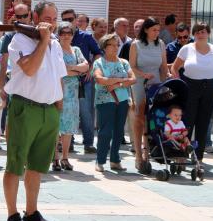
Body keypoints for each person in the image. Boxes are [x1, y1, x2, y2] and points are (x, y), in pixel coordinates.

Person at [2, 0, 65, 221]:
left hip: (49, 110)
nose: (51, 23)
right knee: (16, 163)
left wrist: (59, 106)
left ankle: (31, 211)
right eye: (47, 19)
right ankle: (12, 214)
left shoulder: (56, 45)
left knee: (38, 165)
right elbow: (29, 68)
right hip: (25, 107)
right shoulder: (19, 39)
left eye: (54, 19)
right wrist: (44, 40)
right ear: (36, 19)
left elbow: (59, 77)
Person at [170, 21, 213, 161]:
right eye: (197, 32)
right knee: (187, 122)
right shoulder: (186, 49)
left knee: (203, 124)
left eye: (203, 31)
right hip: (190, 87)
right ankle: (181, 155)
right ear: (194, 34)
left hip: (210, 88)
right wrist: (179, 82)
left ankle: (198, 158)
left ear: (208, 33)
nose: (200, 34)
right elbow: (174, 68)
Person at [92, 33, 136, 172]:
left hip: (122, 101)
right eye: (112, 44)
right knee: (105, 131)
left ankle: (115, 160)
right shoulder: (99, 62)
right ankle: (100, 161)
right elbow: (100, 79)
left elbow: (133, 79)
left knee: (118, 132)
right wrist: (122, 80)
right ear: (104, 47)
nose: (116, 47)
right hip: (105, 101)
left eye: (117, 44)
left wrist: (116, 84)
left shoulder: (124, 62)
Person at [61, 9, 102, 154]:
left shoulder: (86, 36)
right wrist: (77, 70)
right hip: (64, 84)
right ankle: (68, 144)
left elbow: (98, 53)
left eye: (71, 18)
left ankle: (89, 143)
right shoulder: (58, 39)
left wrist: (90, 70)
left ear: (75, 19)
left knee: (86, 113)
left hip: (85, 82)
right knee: (67, 113)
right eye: (64, 18)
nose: (68, 21)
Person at [130, 18, 167, 172]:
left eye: (158, 30)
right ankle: (139, 155)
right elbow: (131, 66)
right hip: (139, 83)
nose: (156, 33)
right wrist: (143, 74)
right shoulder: (135, 45)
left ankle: (148, 153)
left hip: (155, 84)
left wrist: (165, 85)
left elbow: (164, 67)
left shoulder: (161, 44)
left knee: (152, 119)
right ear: (146, 30)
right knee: (139, 118)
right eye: (154, 30)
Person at [56, 21, 88, 171]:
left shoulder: (76, 50)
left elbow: (86, 66)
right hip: (59, 92)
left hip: (73, 94)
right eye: (63, 33)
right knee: (56, 127)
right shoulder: (55, 49)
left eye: (69, 33)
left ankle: (65, 158)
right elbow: (58, 70)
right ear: (58, 34)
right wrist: (77, 70)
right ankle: (55, 158)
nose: (66, 36)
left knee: (68, 127)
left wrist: (72, 68)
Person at [0, 4, 31, 140]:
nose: (22, 19)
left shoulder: (37, 34)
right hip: (15, 82)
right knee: (12, 117)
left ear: (30, 15)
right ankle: (12, 151)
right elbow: (4, 63)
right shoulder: (9, 36)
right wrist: (2, 87)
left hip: (33, 83)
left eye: (24, 16)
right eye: (18, 16)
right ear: (14, 17)